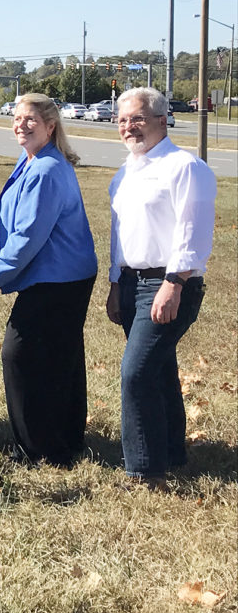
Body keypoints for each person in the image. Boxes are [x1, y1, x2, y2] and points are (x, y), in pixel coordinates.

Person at [0, 92, 97, 467]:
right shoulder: (32, 161)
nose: (21, 125)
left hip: (59, 278)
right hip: (63, 274)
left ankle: (40, 450)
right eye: (17, 118)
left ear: (50, 125)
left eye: (31, 120)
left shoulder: (46, 170)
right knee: (61, 358)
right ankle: (67, 437)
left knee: (21, 356)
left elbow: (27, 237)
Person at [107, 87, 216, 490]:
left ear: (160, 119)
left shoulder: (184, 167)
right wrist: (115, 283)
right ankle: (171, 451)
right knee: (158, 370)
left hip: (169, 282)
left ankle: (145, 473)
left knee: (136, 373)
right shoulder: (126, 172)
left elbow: (194, 231)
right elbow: (121, 235)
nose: (127, 127)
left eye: (136, 119)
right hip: (132, 282)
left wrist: (174, 283)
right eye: (122, 120)